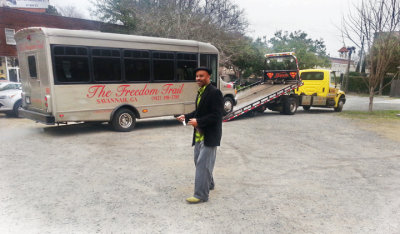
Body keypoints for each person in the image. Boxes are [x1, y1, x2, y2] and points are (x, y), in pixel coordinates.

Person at [176, 67, 223, 204]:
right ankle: (209, 184)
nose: (198, 78)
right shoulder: (201, 92)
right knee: (199, 162)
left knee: (203, 165)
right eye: (197, 76)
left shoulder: (215, 93)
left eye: (201, 76)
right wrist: (186, 117)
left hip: (210, 135)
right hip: (199, 135)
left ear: (209, 76)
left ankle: (201, 195)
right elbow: (199, 112)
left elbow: (217, 115)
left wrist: (199, 122)